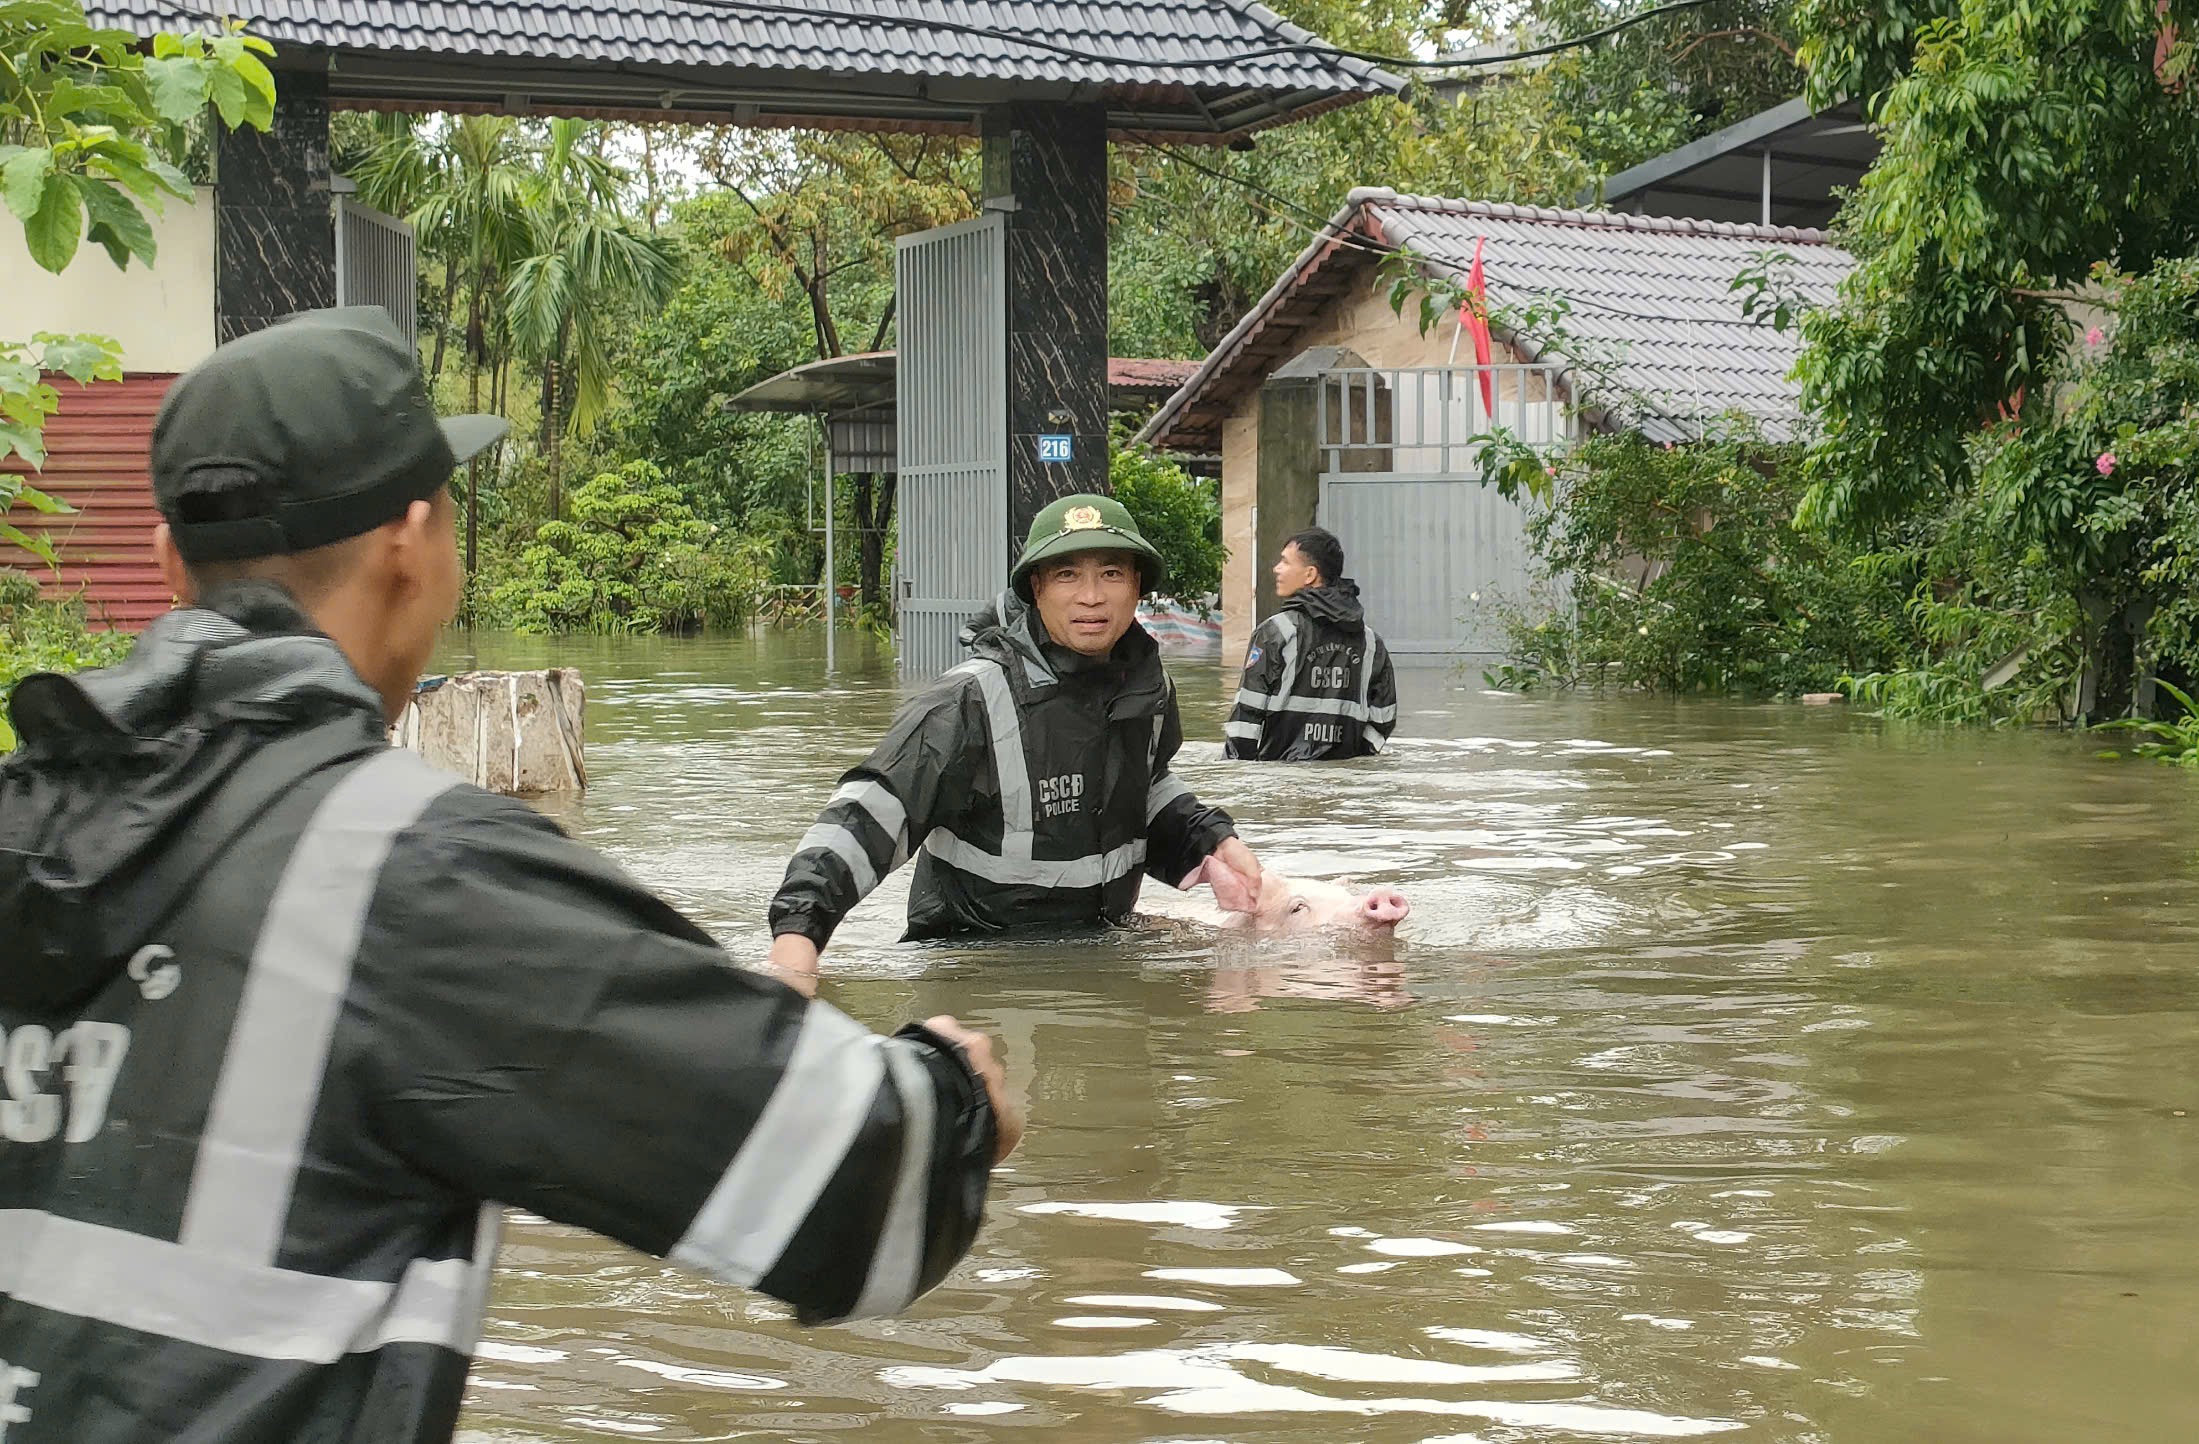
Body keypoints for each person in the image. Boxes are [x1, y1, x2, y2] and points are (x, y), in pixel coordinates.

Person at [0, 307, 1018, 1444]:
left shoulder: (21, 816)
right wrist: (957, 1086)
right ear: (411, 541)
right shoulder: (408, 875)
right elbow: (863, 1190)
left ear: (166, 564)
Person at [765, 493, 1263, 988]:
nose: (1091, 596)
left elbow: (1145, 791)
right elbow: (870, 811)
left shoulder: (1150, 688)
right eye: (1067, 574)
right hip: (975, 969)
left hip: (1099, 958)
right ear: (1036, 587)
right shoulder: (970, 698)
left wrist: (1211, 839)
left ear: (1137, 587)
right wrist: (798, 938)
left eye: (1111, 573)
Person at [1223, 527, 1398, 761]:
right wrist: (1353, 759)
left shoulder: (1275, 632)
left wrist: (1242, 778)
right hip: (1345, 786)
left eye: (1285, 562)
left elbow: (1246, 718)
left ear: (1310, 575)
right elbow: (1384, 719)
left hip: (1280, 784)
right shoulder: (1371, 643)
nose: (1276, 568)